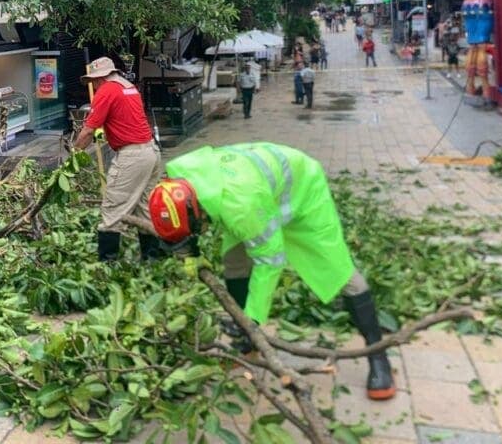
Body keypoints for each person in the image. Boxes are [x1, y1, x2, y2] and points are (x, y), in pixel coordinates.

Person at [148, 143, 396, 400]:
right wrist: (190, 255)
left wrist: (252, 320)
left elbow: (270, 260)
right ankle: (247, 346)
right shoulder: (177, 177)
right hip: (252, 192)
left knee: (340, 272)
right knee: (234, 260)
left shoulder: (242, 207)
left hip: (302, 189)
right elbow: (182, 221)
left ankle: (378, 355)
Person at [72, 57, 162, 261]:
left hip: (132, 157)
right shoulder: (128, 86)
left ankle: (107, 265)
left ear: (101, 78)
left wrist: (74, 156)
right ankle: (153, 261)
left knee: (112, 209)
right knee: (144, 208)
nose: (93, 86)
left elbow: (87, 131)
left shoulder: (106, 91)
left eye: (93, 81)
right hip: (151, 152)